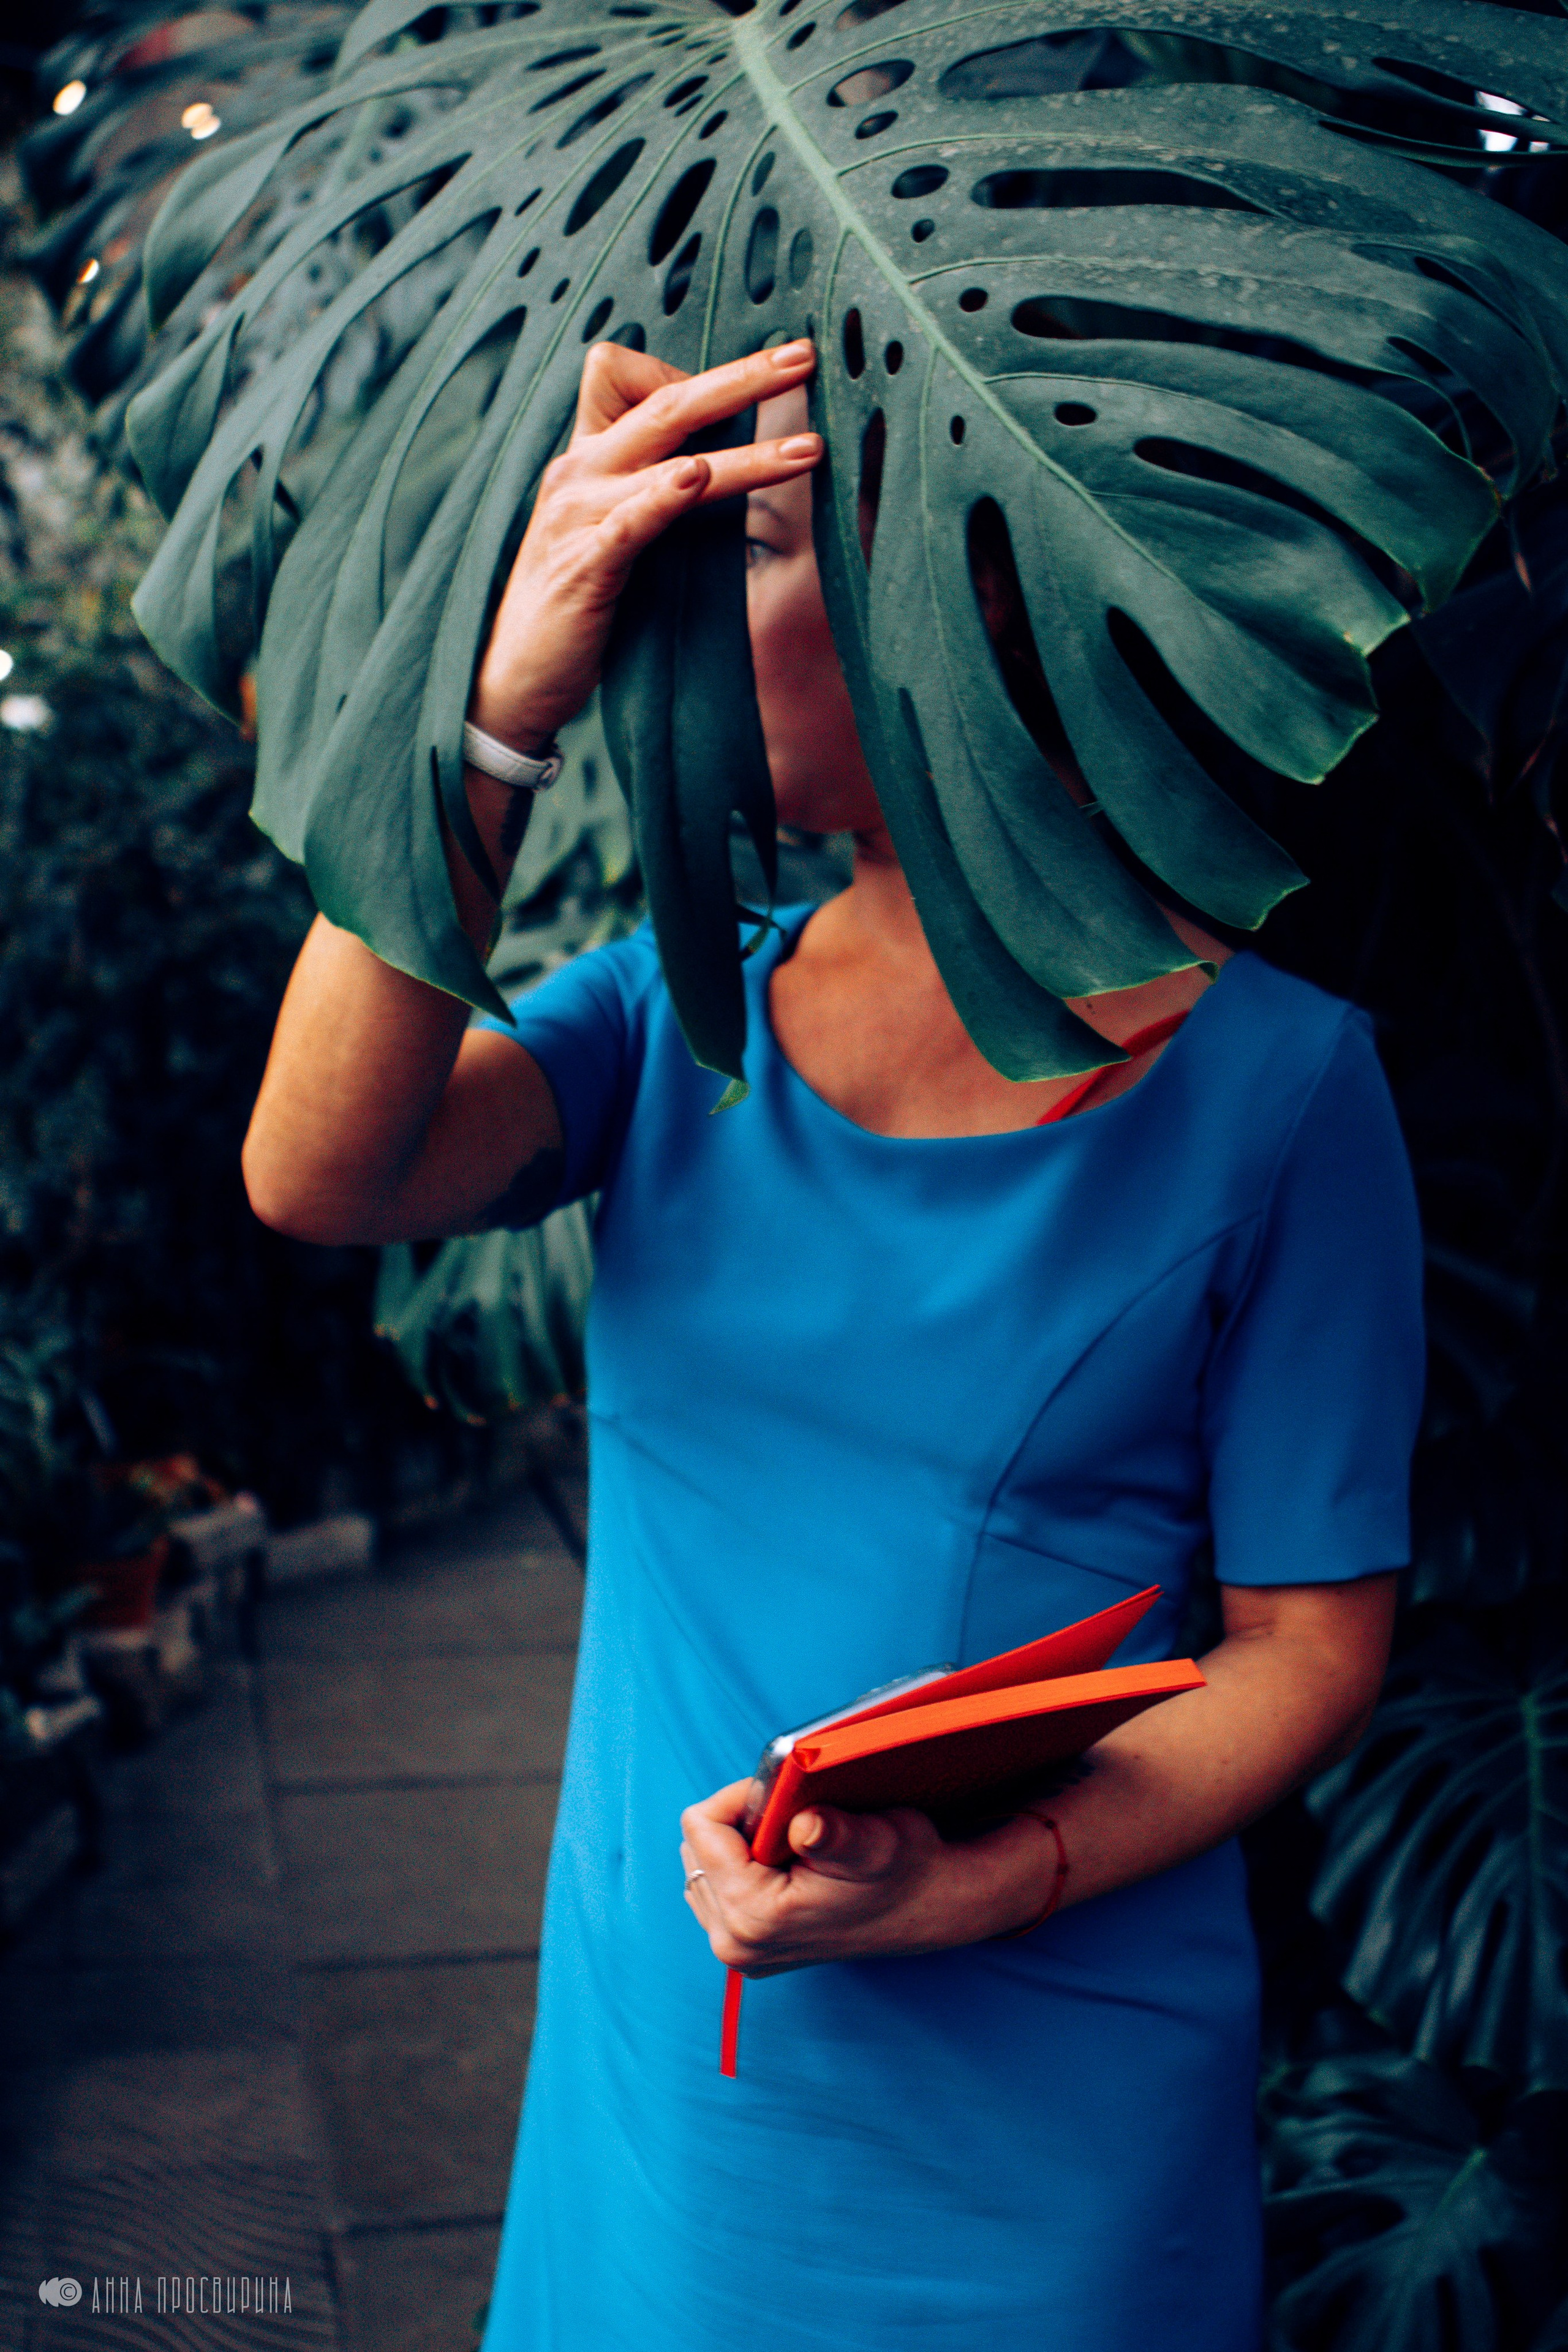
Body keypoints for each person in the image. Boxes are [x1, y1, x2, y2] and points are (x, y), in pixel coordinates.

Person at [243, 338, 1423, 2351]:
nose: (668, 614)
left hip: (1051, 2080)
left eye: (756, 544)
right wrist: (494, 728)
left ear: (968, 587)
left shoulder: (1286, 1087)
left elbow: (1314, 1642)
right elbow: (319, 1175)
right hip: (678, 2058)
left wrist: (982, 1883)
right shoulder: (667, 1018)